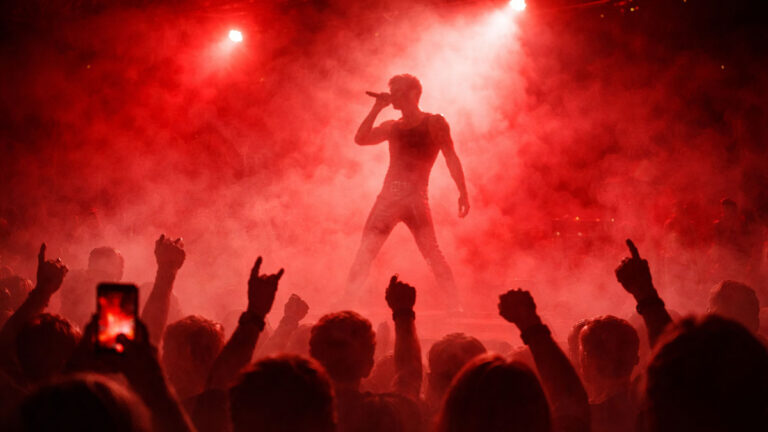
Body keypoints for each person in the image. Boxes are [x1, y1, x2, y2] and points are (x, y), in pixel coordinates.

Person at [347, 74, 469, 304]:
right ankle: (346, 302)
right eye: (391, 91)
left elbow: (451, 156)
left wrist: (463, 191)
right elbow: (360, 139)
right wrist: (376, 108)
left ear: (414, 94)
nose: (393, 96)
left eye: (398, 91)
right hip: (388, 198)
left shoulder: (434, 122)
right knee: (366, 251)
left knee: (432, 253)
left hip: (415, 198)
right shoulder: (393, 126)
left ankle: (455, 307)